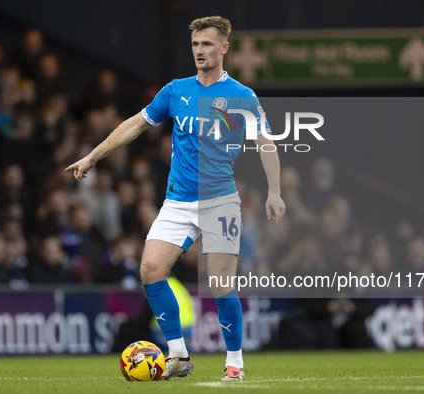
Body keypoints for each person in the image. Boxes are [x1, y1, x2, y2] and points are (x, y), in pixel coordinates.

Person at [66, 16, 285, 381]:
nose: (199, 51)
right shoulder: (176, 90)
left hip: (220, 201)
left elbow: (265, 142)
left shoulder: (242, 96)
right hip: (178, 201)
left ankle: (235, 362)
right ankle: (179, 354)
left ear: (224, 48)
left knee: (220, 284)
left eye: (207, 44)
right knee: (150, 270)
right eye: (196, 44)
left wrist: (274, 191)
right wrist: (92, 156)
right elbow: (135, 124)